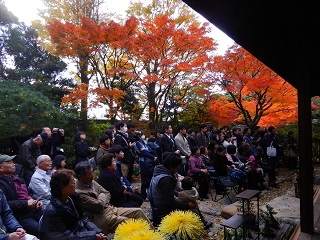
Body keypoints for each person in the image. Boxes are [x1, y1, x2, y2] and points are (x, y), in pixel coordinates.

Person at [74, 161, 152, 234]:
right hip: (102, 217)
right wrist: (101, 195)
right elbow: (99, 206)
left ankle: (154, 235)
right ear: (81, 176)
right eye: (89, 173)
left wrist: (100, 196)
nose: (92, 175)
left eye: (92, 172)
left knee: (138, 212)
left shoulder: (92, 181)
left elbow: (107, 192)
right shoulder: (79, 192)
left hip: (112, 208)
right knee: (129, 222)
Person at [39, 169, 106, 240]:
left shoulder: (73, 198)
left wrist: (96, 231)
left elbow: (83, 218)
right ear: (63, 187)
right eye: (73, 182)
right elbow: (65, 237)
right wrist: (92, 236)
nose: (75, 184)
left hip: (80, 233)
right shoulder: (52, 212)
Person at [149, 152, 198, 227]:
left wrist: (178, 194)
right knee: (193, 210)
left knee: (188, 199)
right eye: (178, 167)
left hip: (159, 204)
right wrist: (187, 205)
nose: (178, 169)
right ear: (171, 166)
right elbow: (170, 202)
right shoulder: (166, 179)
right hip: (162, 209)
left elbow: (168, 191)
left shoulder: (159, 170)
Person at [0, 154, 43, 237]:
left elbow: (29, 194)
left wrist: (36, 201)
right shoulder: (2, 184)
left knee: (54, 222)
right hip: (21, 216)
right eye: (9, 162)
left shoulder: (19, 179)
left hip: (35, 211)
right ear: (1, 168)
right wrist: (25, 203)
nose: (13, 164)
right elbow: (6, 206)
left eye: (13, 162)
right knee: (40, 229)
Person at [133, 131, 157, 199]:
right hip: (143, 162)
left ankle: (149, 194)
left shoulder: (143, 142)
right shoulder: (138, 143)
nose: (143, 136)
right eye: (142, 134)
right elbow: (143, 152)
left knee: (149, 178)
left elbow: (148, 150)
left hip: (148, 161)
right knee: (145, 179)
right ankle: (144, 195)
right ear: (139, 136)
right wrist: (153, 157)